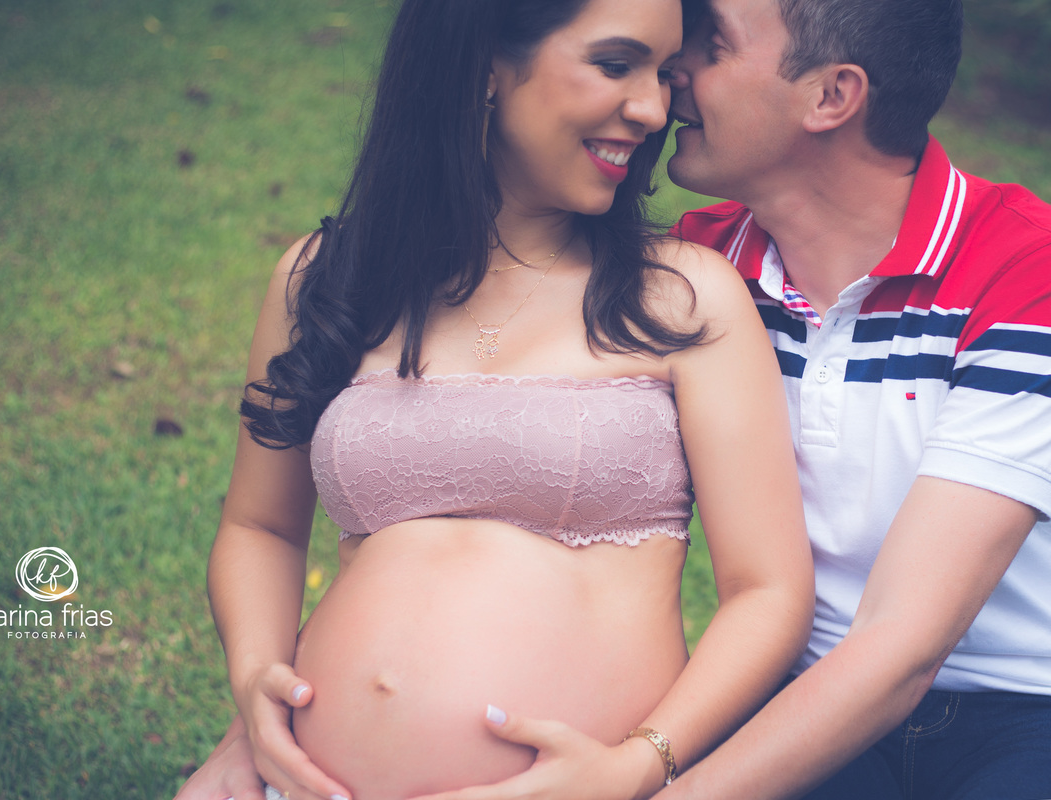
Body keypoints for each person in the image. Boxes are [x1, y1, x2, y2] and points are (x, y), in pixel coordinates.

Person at [175, 1, 813, 799]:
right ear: (484, 65)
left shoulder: (682, 299)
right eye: (616, 65)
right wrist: (252, 713)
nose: (653, 109)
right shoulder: (325, 280)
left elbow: (770, 592)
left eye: (661, 73)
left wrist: (638, 765)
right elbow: (259, 527)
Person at [649, 0, 1051, 797]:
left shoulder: (1020, 269)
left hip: (1022, 708)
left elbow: (905, 642)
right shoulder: (698, 269)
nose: (674, 67)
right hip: (793, 692)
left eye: (714, 43)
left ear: (832, 96)